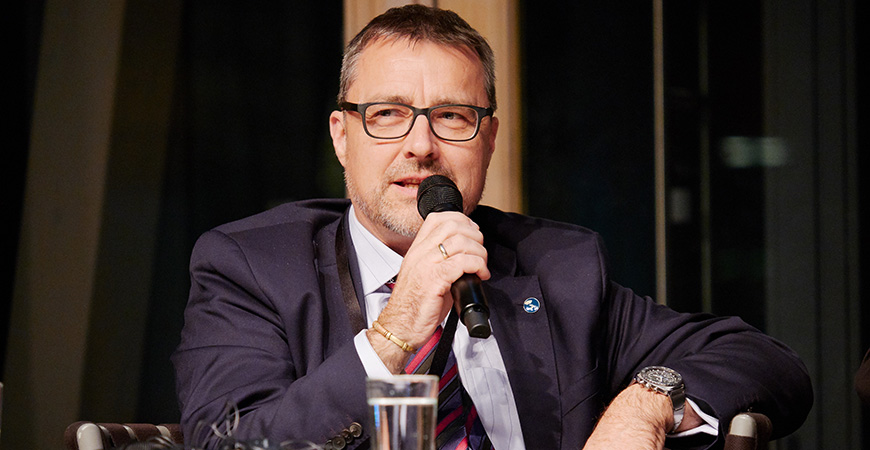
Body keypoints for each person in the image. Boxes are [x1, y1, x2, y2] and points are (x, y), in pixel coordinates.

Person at [173, 5, 812, 450]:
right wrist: (397, 327)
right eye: (389, 114)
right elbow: (235, 440)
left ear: (490, 140)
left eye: (452, 116)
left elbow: (766, 362)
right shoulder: (251, 267)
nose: (421, 146)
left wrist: (646, 404)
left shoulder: (556, 268)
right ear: (342, 137)